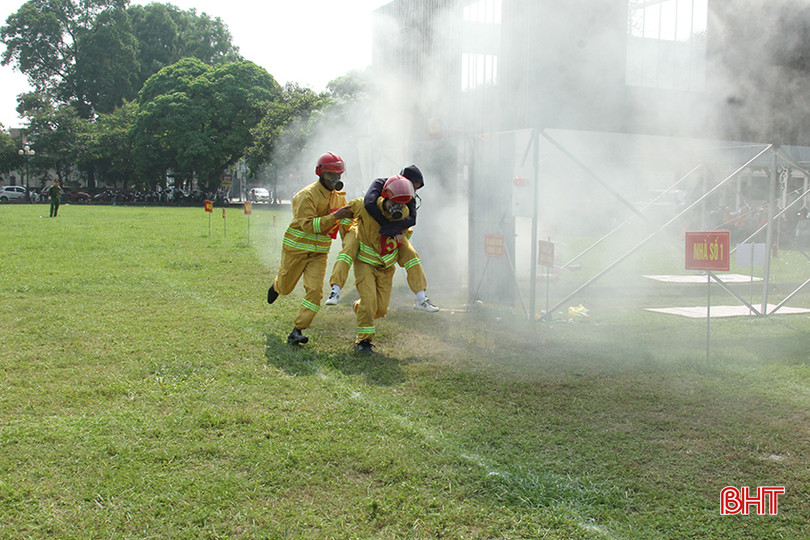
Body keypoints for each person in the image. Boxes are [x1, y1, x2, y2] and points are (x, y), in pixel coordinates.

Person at [266, 152, 354, 345]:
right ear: (320, 173)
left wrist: (354, 234)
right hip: (296, 250)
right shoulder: (306, 196)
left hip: (319, 254)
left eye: (339, 175)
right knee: (286, 287)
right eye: (331, 175)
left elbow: (347, 223)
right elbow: (309, 225)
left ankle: (297, 330)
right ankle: (277, 286)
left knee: (315, 292)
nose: (335, 179)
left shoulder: (339, 198)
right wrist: (335, 217)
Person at [325, 165, 439, 312]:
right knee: (348, 249)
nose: (397, 208)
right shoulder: (370, 196)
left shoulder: (406, 202)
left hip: (387, 244)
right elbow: (365, 204)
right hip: (364, 233)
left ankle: (421, 298)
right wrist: (387, 227)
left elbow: (411, 220)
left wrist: (394, 229)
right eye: (394, 203)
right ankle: (335, 290)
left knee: (411, 255)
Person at [348, 175, 416, 353]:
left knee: (380, 309)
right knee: (369, 302)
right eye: (394, 203)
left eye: (402, 204)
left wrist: (398, 232)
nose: (398, 208)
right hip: (364, 262)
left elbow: (407, 232)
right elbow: (348, 211)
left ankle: (360, 307)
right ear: (385, 197)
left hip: (385, 266)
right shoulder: (367, 204)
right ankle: (363, 342)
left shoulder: (405, 212)